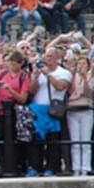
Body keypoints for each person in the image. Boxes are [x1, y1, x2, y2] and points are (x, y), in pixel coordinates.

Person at [26, 46, 71, 177]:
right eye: (46, 56)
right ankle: (35, 167)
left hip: (53, 110)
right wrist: (35, 76)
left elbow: (60, 86)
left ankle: (51, 167)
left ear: (57, 58)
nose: (47, 59)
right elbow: (32, 91)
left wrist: (48, 75)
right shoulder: (39, 72)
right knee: (35, 141)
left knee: (53, 141)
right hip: (38, 110)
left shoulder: (63, 73)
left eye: (50, 56)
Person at [64, 53, 93, 176]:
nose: (81, 66)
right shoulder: (72, 76)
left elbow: (87, 93)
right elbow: (70, 92)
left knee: (85, 140)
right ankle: (76, 167)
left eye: (83, 64)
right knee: (75, 141)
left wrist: (85, 78)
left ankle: (85, 168)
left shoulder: (91, 77)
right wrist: (72, 75)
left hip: (86, 109)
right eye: (79, 63)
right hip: (72, 109)